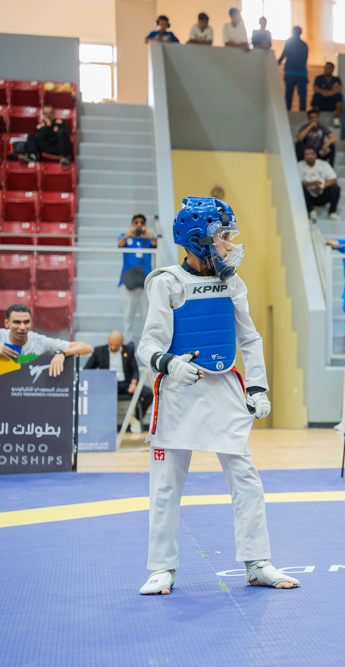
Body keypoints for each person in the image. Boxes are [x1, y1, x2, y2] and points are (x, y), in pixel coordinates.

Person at [136, 196, 298, 595]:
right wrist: (169, 363)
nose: (229, 244)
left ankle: (257, 562)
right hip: (179, 391)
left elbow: (250, 338)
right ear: (198, 239)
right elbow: (147, 345)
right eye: (223, 236)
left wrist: (257, 387)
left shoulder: (233, 282)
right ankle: (161, 568)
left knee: (246, 478)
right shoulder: (167, 282)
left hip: (225, 389)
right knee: (165, 486)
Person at [85, 330, 153, 433]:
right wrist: (97, 373)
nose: (113, 347)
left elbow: (135, 370)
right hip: (108, 384)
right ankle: (102, 425)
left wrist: (134, 383)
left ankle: (136, 419)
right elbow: (86, 370)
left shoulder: (128, 351)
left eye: (116, 345)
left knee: (148, 394)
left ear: (122, 342)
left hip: (126, 383)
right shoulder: (99, 351)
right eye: (111, 344)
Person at [1, 304, 92, 377]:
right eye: (17, 322)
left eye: (26, 322)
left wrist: (62, 353)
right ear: (6, 323)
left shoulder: (40, 341)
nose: (22, 327)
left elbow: (87, 348)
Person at [118, 214, 157, 345]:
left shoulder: (148, 239)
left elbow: (156, 243)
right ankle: (128, 342)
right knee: (128, 314)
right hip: (127, 282)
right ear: (132, 224)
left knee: (146, 314)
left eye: (142, 223)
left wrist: (149, 234)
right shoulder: (125, 236)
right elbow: (120, 244)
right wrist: (128, 234)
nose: (139, 225)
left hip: (145, 282)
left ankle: (144, 342)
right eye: (136, 223)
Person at [298, 147, 341, 221]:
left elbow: (334, 180)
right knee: (300, 189)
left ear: (316, 155)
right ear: (304, 156)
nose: (309, 156)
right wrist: (313, 183)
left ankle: (332, 213)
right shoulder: (299, 165)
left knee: (335, 188)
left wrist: (322, 186)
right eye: (306, 154)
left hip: (321, 194)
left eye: (311, 154)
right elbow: (296, 182)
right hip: (308, 197)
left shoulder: (323, 164)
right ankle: (311, 211)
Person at [277, 26, 309, 110]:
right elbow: (305, 59)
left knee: (289, 94)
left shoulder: (289, 42)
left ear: (293, 32)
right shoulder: (304, 45)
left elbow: (284, 54)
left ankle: (288, 112)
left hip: (290, 73)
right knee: (302, 96)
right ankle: (302, 113)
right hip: (301, 73)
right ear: (301, 33)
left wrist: (277, 63)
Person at [311, 62, 343, 128]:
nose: (326, 69)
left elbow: (338, 89)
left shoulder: (336, 79)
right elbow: (316, 89)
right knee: (317, 95)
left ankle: (336, 120)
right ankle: (315, 119)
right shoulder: (319, 78)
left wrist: (326, 93)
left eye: (328, 68)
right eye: (325, 67)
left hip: (331, 103)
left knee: (339, 95)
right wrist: (330, 91)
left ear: (332, 69)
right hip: (321, 102)